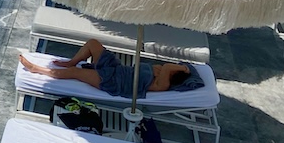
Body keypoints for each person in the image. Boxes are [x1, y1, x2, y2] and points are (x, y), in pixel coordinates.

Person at [19, 38, 193, 99]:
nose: (174, 66)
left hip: (114, 82)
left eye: (177, 68)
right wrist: (177, 69)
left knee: (75, 73)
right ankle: (71, 61)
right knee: (93, 44)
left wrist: (185, 70)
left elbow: (168, 66)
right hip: (117, 69)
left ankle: (37, 69)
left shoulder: (163, 84)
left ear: (175, 73)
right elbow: (165, 67)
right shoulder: (161, 72)